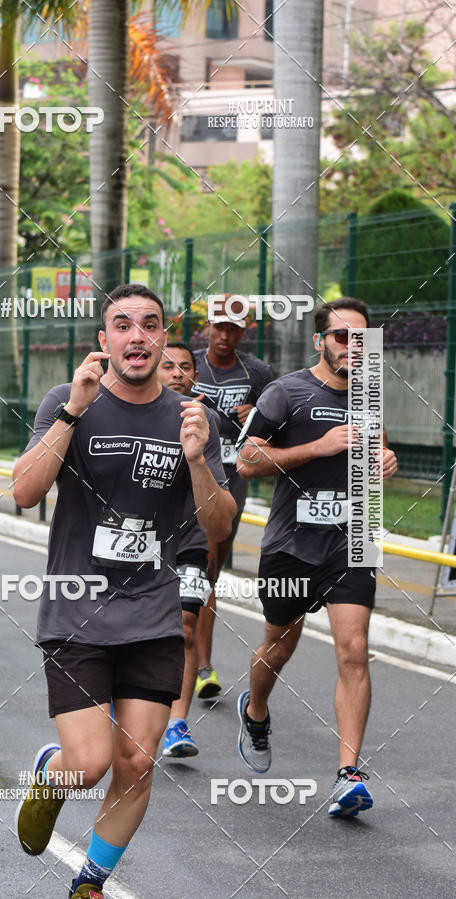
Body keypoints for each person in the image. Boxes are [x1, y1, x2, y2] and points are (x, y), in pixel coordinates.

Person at [12, 284, 235, 898]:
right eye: (122, 324)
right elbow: (26, 492)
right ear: (104, 340)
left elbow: (220, 527)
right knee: (87, 766)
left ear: (163, 340)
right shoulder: (68, 399)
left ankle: (90, 882)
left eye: (150, 324)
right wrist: (70, 413)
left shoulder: (193, 418)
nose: (137, 335)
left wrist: (195, 460)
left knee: (137, 762)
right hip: (77, 612)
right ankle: (49, 776)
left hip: (154, 617)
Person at [235, 297, 398, 818]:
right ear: (319, 341)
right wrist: (317, 447)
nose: (352, 347)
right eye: (341, 337)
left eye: (361, 338)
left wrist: (385, 463)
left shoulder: (371, 395)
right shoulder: (286, 392)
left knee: (354, 649)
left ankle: (348, 774)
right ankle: (256, 710)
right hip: (292, 545)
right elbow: (247, 460)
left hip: (352, 541)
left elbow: (376, 457)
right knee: (277, 649)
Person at [192, 308, 273, 699]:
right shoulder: (185, 363)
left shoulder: (257, 373)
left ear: (244, 332)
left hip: (231, 480)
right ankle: (194, 660)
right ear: (207, 326)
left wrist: (254, 418)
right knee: (188, 567)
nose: (225, 335)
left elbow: (276, 428)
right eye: (219, 326)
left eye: (233, 329)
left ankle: (199, 663)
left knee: (207, 574)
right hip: (187, 473)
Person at [157, 341, 211, 758]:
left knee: (186, 627)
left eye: (185, 366)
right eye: (168, 366)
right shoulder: (127, 415)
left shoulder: (203, 419)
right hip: (137, 546)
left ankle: (177, 723)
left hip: (190, 540)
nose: (177, 373)